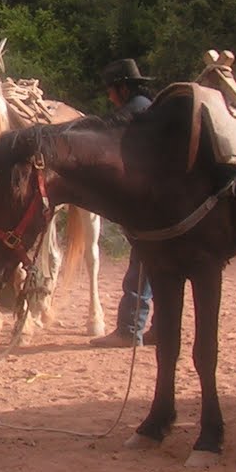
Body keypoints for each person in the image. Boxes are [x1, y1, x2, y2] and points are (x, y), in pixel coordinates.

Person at [92, 58, 155, 349]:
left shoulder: (133, 112)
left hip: (150, 201)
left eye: (111, 90)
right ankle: (159, 328)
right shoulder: (149, 106)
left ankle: (129, 330)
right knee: (158, 268)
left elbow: (103, 129)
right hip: (161, 197)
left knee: (140, 268)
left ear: (122, 89)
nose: (109, 97)